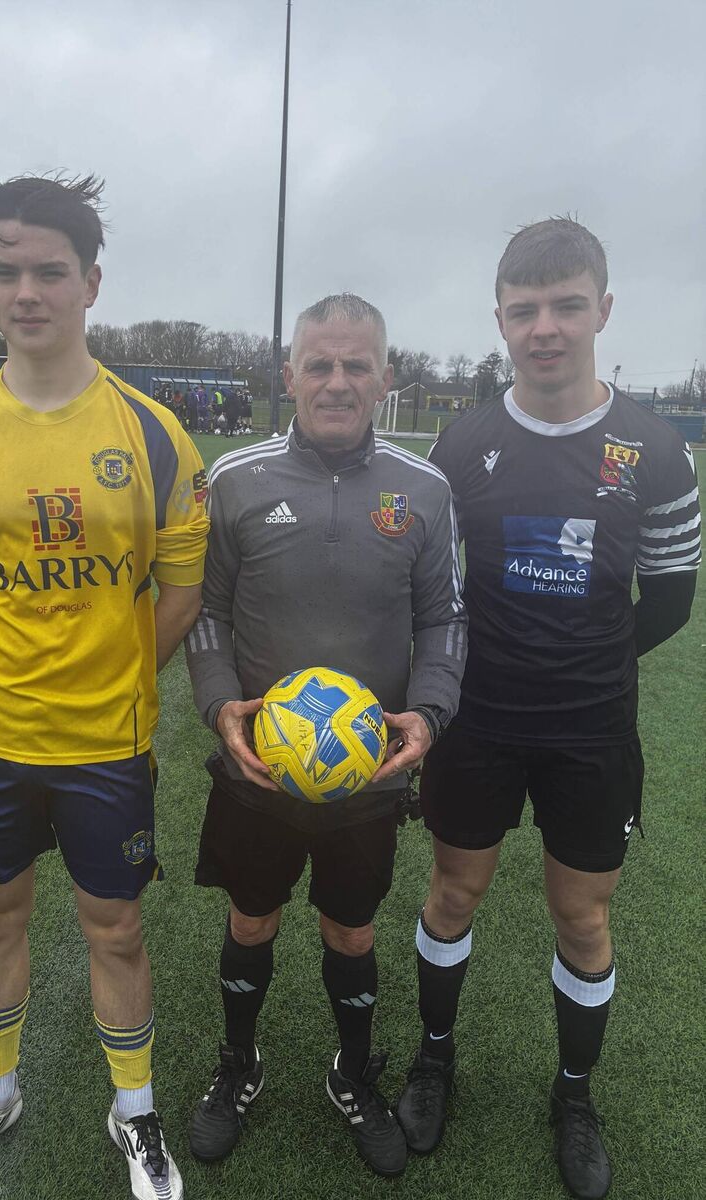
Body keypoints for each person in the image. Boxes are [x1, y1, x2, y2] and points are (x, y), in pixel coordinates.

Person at [0, 174, 208, 1200]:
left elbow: (179, 597)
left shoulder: (156, 434)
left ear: (91, 283)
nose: (25, 291)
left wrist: (104, 680)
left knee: (114, 928)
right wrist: (10, 673)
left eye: (48, 272)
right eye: (5, 271)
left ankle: (137, 1114)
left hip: (107, 742)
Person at [398, 218, 700, 1200]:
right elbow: (436, 591)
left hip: (590, 731)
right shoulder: (465, 441)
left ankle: (575, 1093)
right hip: (477, 722)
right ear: (500, 319)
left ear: (602, 310)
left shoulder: (654, 451)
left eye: (567, 305)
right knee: (453, 893)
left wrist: (585, 664)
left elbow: (670, 600)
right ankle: (434, 1056)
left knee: (582, 916)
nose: (546, 327)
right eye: (525, 309)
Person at [185, 293, 466, 1177]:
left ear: (386, 377)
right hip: (256, 773)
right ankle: (239, 1065)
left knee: (352, 929)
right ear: (290, 374)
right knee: (252, 916)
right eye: (320, 364)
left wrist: (430, 710)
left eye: (356, 366)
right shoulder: (236, 478)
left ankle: (353, 1071)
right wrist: (222, 704)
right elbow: (207, 616)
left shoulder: (425, 490)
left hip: (367, 778)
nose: (337, 382)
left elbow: (447, 619)